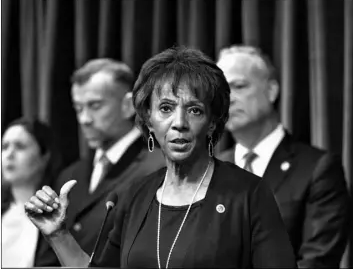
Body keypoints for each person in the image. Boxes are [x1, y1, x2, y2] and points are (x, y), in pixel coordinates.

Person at [24, 46, 296, 268]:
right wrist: (58, 234)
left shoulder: (249, 194)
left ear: (212, 123)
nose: (179, 122)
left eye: (195, 110)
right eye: (165, 108)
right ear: (149, 121)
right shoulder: (135, 195)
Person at [216, 45, 351, 268]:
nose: (228, 99)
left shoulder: (317, 168)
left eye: (239, 86)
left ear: (271, 91)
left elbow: (318, 261)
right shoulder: (209, 171)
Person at [37, 58, 165, 266]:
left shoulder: (160, 167)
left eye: (94, 106)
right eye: (78, 108)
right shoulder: (70, 175)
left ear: (128, 105)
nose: (84, 119)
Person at [1, 117, 63, 267]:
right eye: (4, 146)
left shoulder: (58, 215)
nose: (9, 154)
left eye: (20, 146)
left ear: (44, 155)